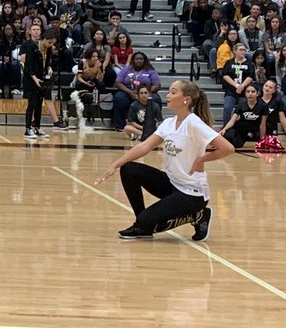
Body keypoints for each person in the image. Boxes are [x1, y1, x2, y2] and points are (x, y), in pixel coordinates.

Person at [95, 80, 233, 241]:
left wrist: (201, 159)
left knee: (146, 220)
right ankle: (143, 225)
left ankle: (199, 215)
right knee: (129, 168)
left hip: (192, 193)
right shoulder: (168, 123)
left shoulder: (194, 123)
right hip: (172, 183)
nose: (167, 95)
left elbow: (227, 148)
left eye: (173, 92)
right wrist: (115, 165)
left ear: (186, 99)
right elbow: (145, 146)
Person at [220, 83, 266, 148]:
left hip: (253, 131)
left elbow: (262, 125)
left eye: (253, 91)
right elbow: (232, 120)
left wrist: (262, 140)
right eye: (248, 92)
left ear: (257, 93)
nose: (250, 94)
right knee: (228, 136)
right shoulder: (241, 105)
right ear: (245, 94)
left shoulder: (263, 106)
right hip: (240, 130)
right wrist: (224, 129)